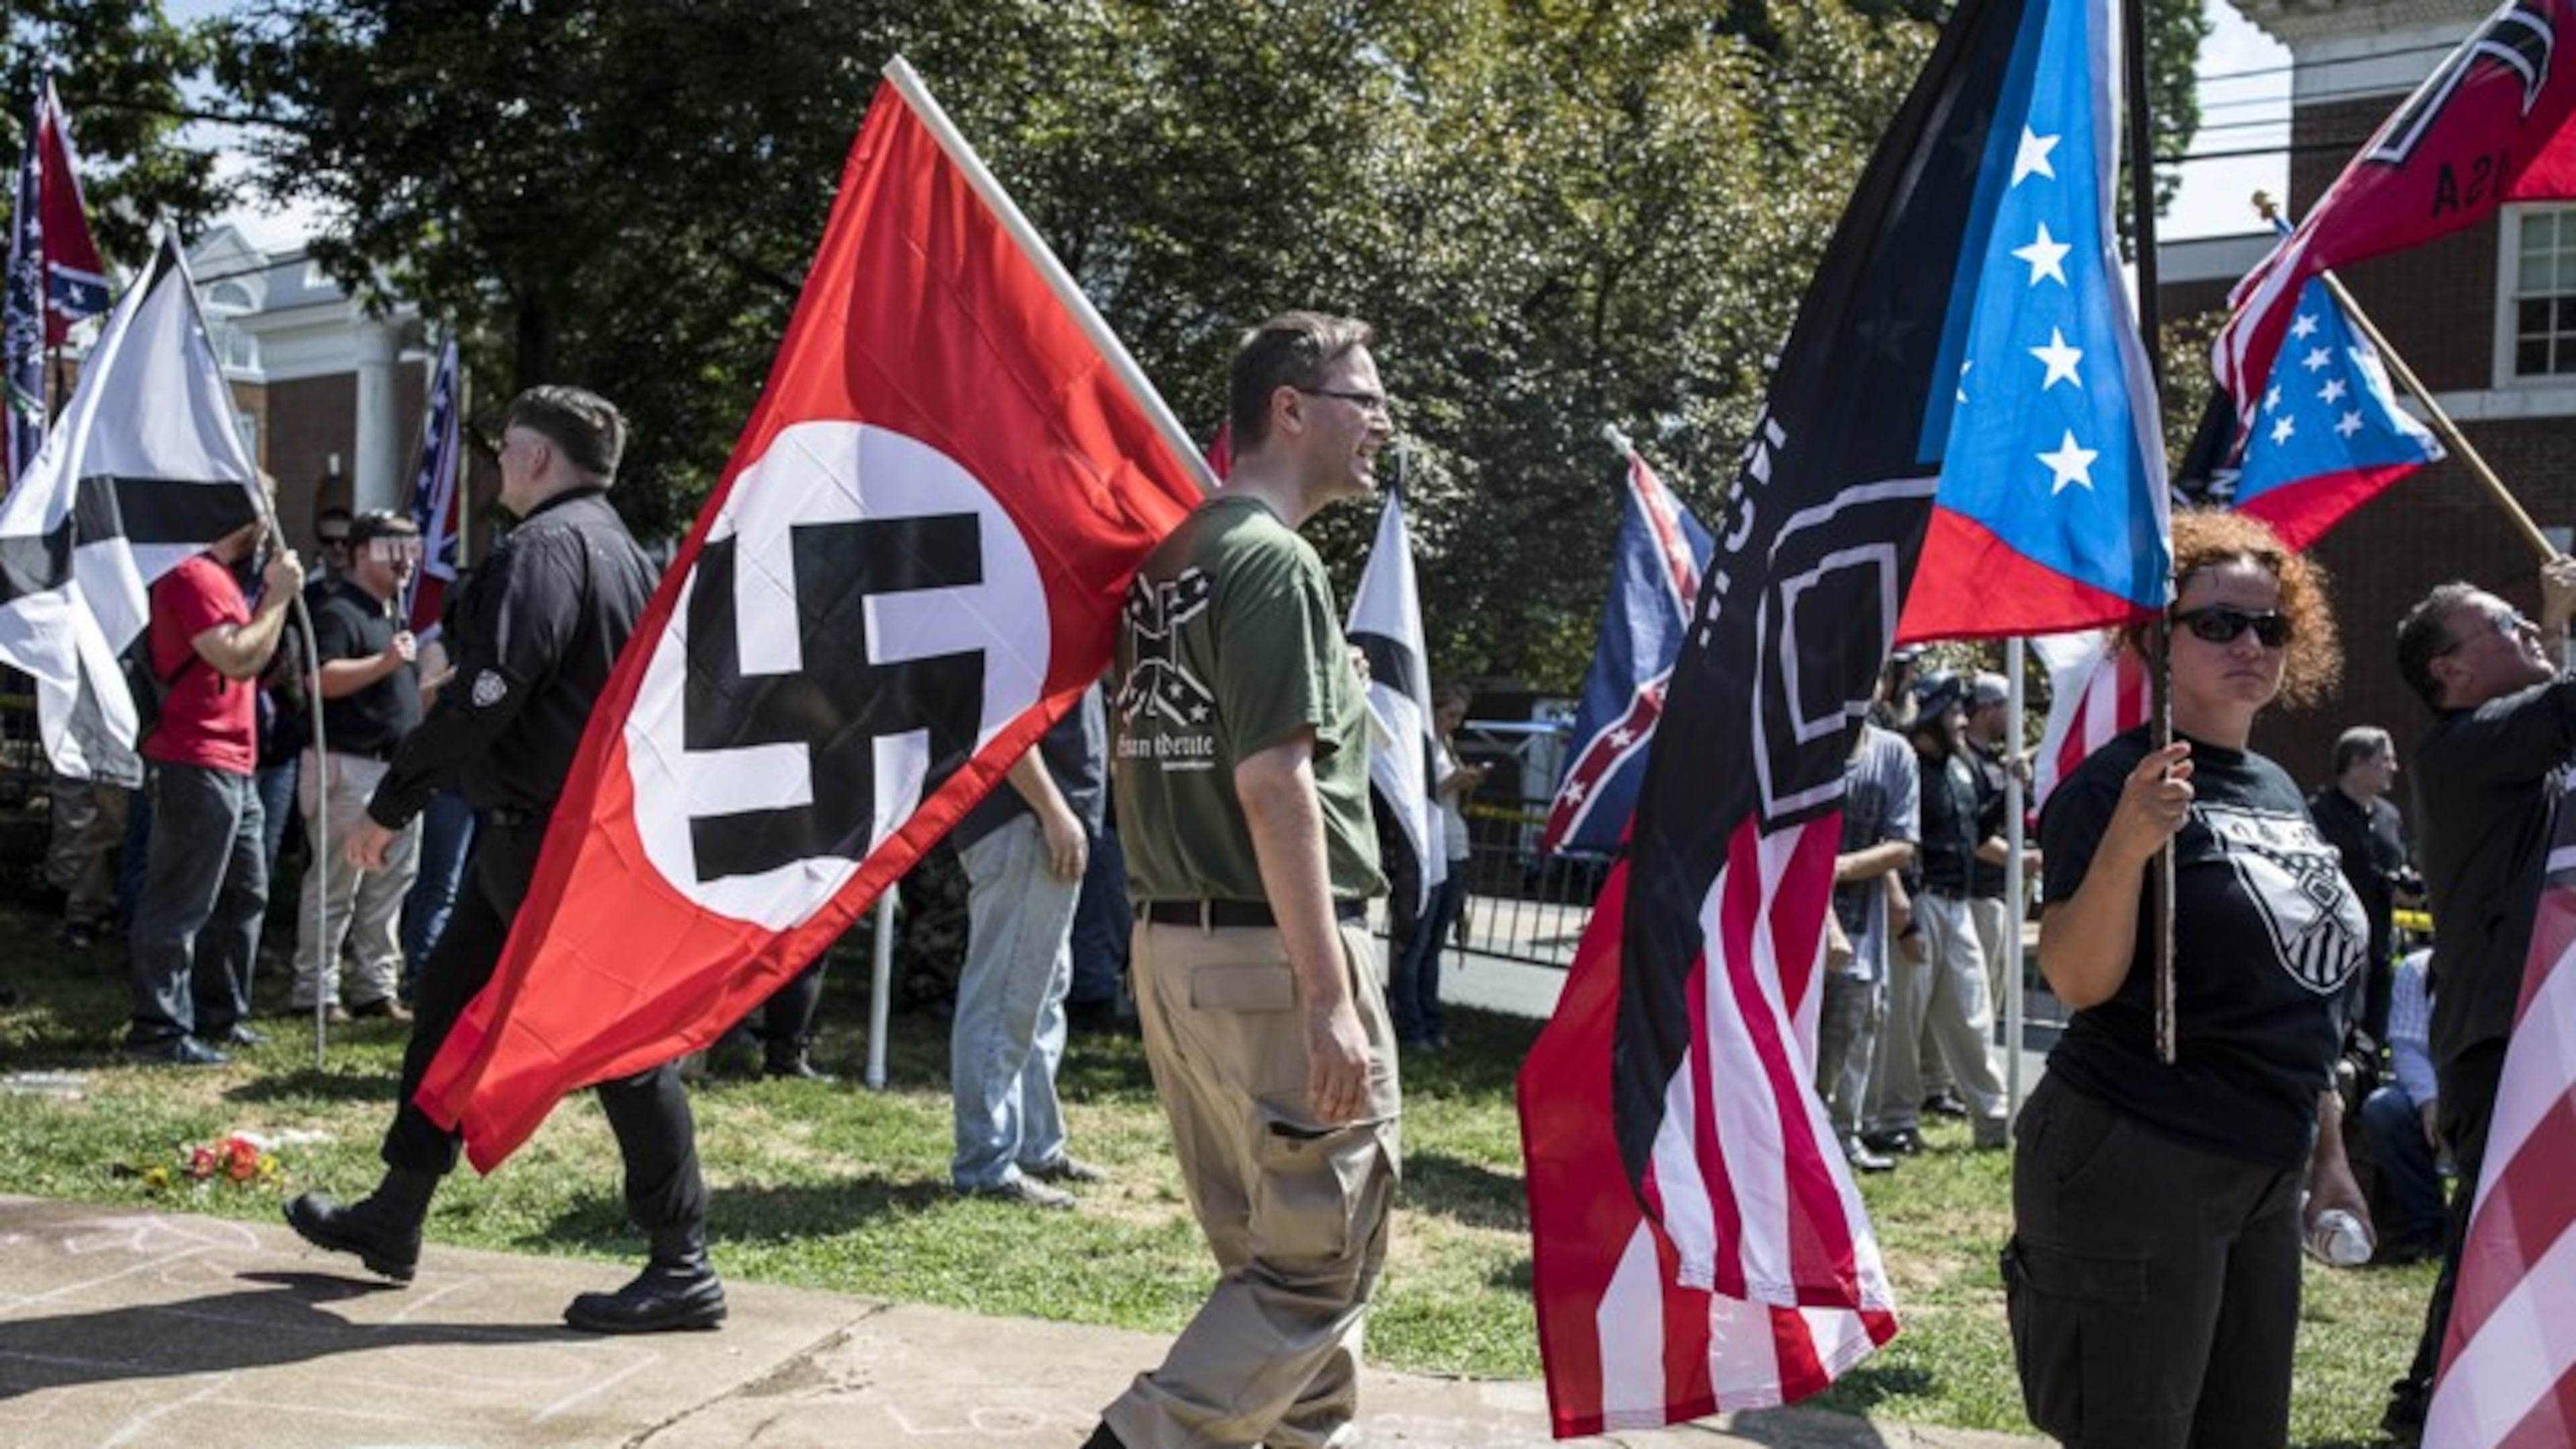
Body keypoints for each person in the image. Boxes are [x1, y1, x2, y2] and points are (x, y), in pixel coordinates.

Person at [283, 386, 724, 1335]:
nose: (495, 471)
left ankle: (682, 1262)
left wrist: (393, 802)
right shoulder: (621, 548)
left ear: (532, 457)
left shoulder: (547, 549)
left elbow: (490, 691)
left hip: (553, 842)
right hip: (534, 837)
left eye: (504, 453)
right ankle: (395, 1216)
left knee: (619, 1047)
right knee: (446, 1012)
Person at [1084, 312, 1401, 1449]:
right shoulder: (1272, 560)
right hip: (1275, 961)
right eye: (1363, 398)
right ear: (1291, 409)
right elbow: (1275, 786)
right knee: (1312, 1272)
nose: (1381, 421)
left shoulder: (1175, 557)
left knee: (1278, 1270)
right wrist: (1328, 998)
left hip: (1181, 950)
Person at [2006, 511, 2371, 1449]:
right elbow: (2078, 979)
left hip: (2265, 1162)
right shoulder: (2113, 785)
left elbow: (2301, 1002)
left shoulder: (2280, 789)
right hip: (2137, 1150)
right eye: (2216, 623)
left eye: (2269, 626)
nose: (2249, 643)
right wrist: (2128, 845)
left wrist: (2327, 1157)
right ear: (2153, 641)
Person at [2379, 554, 2576, 1443]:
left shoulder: (2520, 745)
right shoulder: (2464, 748)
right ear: (2448, 671)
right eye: (2507, 622)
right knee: (2493, 1230)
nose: (2529, 627)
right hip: (2501, 1039)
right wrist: (2566, 616)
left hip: (2545, 1026)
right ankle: (2431, 1403)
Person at [123, 496, 305, 1065]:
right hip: (194, 755)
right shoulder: (191, 574)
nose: (272, 523)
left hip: (234, 760)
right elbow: (236, 657)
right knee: (181, 896)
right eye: (267, 511)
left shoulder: (221, 578)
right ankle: (159, 1028)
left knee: (243, 892)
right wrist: (277, 598)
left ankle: (220, 1013)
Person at [950, 683, 1110, 1209]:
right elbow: (1002, 722)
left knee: (1040, 992)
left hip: (1041, 822)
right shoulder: (1028, 611)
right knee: (1004, 999)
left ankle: (1036, 1145)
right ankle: (987, 1164)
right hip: (1025, 822)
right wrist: (1052, 810)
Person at [288, 509, 425, 1023]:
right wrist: (387, 663)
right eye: (397, 549)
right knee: (336, 884)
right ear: (365, 551)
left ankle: (374, 987)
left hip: (395, 772)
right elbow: (318, 679)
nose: (409, 561)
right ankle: (316, 992)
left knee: (389, 886)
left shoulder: (391, 611)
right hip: (349, 767)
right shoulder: (337, 609)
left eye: (413, 549)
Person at [1866, 673, 2010, 1153]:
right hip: (1919, 901)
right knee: (1903, 1021)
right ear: (1929, 714)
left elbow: (1977, 827)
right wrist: (1903, 916)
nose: (1963, 720)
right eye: (1953, 712)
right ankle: (1895, 1121)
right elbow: (1889, 837)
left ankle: (1995, 1121)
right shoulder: (1905, 765)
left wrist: (2011, 787)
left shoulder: (1962, 767)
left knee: (1974, 1012)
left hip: (1959, 903)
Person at [1821, 712, 1918, 1174]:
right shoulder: (1805, 740)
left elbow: (1901, 846)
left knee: (1849, 1041)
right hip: (1793, 935)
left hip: (1858, 936)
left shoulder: (1893, 753)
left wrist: (1837, 867)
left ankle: (1841, 1139)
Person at [1389, 682, 1483, 1051]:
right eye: (1450, 715)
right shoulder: (1418, 744)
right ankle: (1410, 1027)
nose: (1455, 723)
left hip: (1454, 848)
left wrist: (1465, 781)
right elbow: (1417, 795)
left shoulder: (1446, 745)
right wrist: (1454, 781)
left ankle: (1431, 1021)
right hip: (1427, 853)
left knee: (1434, 947)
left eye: (1460, 717)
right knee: (1415, 944)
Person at [2306, 725, 2410, 1049]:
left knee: (2374, 1035)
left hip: (2380, 943)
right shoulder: (2317, 814)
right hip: (2334, 947)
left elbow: (2395, 865)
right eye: (2385, 759)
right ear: (2356, 763)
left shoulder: (2389, 817)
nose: (2394, 767)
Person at [2359, 949, 2445, 1265]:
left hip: (2486, 1092)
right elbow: (2406, 1046)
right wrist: (2429, 1100)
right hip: (2431, 1089)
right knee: (2384, 1111)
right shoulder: (2417, 969)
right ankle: (2429, 1230)